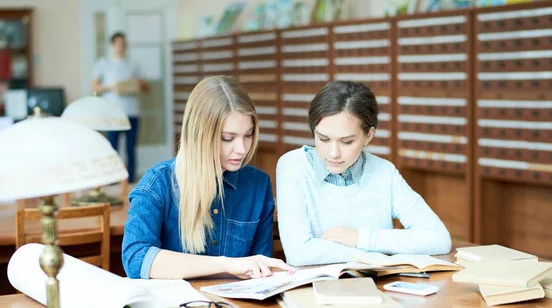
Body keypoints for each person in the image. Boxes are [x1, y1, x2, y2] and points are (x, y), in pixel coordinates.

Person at [122, 75, 293, 279]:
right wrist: (225, 265)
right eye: (227, 138)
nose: (242, 149)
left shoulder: (258, 184)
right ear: (200, 135)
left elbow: (259, 265)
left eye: (248, 135)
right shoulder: (157, 184)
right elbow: (135, 259)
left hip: (238, 307)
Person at [276, 81, 451, 266]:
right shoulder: (293, 166)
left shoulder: (384, 172)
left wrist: (359, 237)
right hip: (316, 290)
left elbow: (438, 238)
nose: (333, 153)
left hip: (380, 287)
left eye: (347, 141)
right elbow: (299, 253)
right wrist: (376, 256)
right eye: (323, 139)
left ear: (369, 135)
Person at [91, 32, 146, 183]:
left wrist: (136, 86)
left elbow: (145, 86)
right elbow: (94, 87)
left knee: (131, 148)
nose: (121, 46)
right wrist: (110, 87)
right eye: (118, 43)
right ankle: (113, 178)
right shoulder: (104, 64)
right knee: (113, 148)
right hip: (113, 114)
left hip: (132, 112)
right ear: (112, 45)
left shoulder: (133, 64)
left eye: (124, 43)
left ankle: (131, 180)